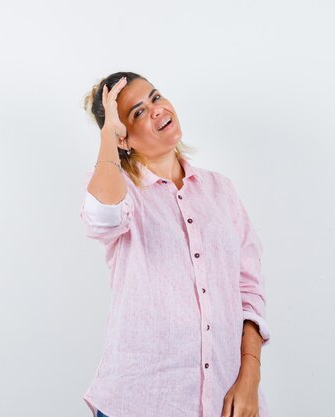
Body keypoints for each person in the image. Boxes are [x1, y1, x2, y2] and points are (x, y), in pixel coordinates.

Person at [79, 71, 271, 417]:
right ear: (123, 138)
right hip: (139, 402)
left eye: (155, 97)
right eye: (137, 112)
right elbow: (102, 214)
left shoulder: (221, 191)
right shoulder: (121, 192)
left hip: (224, 400)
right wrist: (108, 131)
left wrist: (250, 375)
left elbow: (249, 289)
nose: (155, 110)